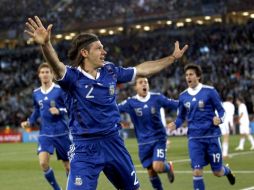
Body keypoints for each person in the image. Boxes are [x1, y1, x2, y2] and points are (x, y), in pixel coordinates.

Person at [24, 16, 188, 190]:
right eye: (99, 48)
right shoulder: (72, 77)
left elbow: (141, 70)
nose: (104, 52)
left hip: (113, 142)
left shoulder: (110, 70)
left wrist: (172, 58)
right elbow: (56, 66)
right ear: (84, 53)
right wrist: (46, 44)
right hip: (84, 148)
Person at [168, 64, 235, 190]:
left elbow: (222, 111)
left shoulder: (210, 91)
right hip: (194, 138)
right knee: (197, 171)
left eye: (191, 74)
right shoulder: (183, 96)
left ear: (198, 76)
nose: (188, 77)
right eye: (186, 75)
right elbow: (181, 117)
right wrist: (175, 124)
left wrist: (219, 119)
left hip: (212, 137)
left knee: (217, 172)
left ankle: (227, 171)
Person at [118, 77, 178, 190]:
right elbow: (115, 109)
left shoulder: (157, 98)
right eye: (140, 82)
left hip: (158, 139)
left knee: (158, 166)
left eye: (146, 82)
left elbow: (174, 104)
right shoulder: (131, 103)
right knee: (151, 171)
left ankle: (168, 167)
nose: (144, 84)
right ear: (136, 87)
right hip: (143, 143)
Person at [21, 63, 71, 190]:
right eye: (42, 72)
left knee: (68, 167)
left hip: (61, 132)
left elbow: (70, 108)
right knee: (43, 163)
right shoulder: (36, 93)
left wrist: (59, 110)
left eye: (47, 72)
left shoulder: (59, 90)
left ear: (52, 75)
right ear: (39, 75)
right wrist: (29, 121)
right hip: (45, 133)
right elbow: (37, 110)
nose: (45, 74)